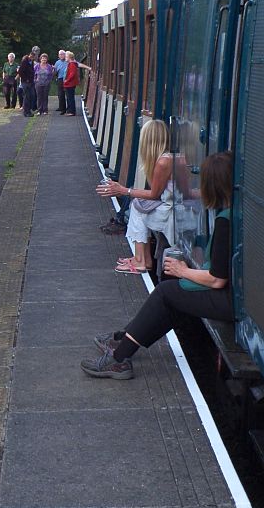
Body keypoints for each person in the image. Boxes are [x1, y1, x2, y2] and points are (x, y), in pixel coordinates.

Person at [82, 151, 233, 380]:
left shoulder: (225, 222)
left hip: (229, 301)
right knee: (173, 297)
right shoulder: (238, 214)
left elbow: (217, 279)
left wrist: (182, 271)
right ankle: (123, 342)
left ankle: (120, 357)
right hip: (235, 297)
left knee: (166, 292)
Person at [97, 119, 186, 274]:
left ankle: (140, 261)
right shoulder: (172, 157)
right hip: (177, 207)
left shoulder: (163, 162)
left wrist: (124, 190)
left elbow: (154, 194)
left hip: (172, 212)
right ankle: (145, 259)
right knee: (139, 203)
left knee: (137, 207)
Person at [62, 50, 80, 115]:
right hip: (68, 84)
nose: (65, 57)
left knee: (70, 98)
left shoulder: (72, 64)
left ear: (70, 57)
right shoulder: (70, 64)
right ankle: (69, 110)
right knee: (69, 97)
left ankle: (71, 111)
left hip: (70, 84)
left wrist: (67, 80)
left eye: (66, 56)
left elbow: (72, 74)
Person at [54, 50, 69, 114]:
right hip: (60, 79)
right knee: (60, 94)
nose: (61, 55)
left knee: (67, 94)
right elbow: (55, 72)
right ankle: (62, 108)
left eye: (62, 54)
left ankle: (69, 108)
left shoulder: (68, 61)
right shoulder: (57, 62)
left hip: (67, 79)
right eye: (60, 54)